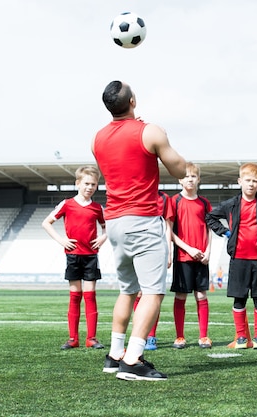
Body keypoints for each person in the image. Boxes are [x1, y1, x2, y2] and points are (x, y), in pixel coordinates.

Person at [92, 80, 186, 381]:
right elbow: (180, 170)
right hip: (143, 220)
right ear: (132, 101)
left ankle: (115, 353)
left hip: (115, 220)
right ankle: (132, 360)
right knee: (153, 292)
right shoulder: (150, 131)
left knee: (127, 289)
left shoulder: (98, 138)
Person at [206, 162, 257, 350]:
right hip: (238, 259)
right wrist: (225, 232)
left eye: (255, 181)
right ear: (240, 181)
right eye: (248, 180)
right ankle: (242, 338)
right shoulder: (231, 205)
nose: (251, 184)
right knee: (239, 299)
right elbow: (210, 217)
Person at [42, 166, 107, 350]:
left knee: (90, 296)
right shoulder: (67, 204)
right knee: (75, 297)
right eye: (86, 183)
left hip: (91, 256)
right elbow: (46, 222)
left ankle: (91, 338)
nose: (90, 187)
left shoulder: (97, 208)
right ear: (77, 183)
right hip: (73, 256)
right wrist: (61, 240)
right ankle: (73, 339)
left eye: (93, 184)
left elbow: (107, 227)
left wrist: (103, 237)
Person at [170, 162, 213, 349]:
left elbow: (211, 229)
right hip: (183, 257)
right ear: (180, 180)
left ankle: (203, 336)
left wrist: (208, 252)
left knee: (202, 295)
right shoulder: (174, 201)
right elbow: (169, 232)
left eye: (193, 176)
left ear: (198, 180)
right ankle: (180, 336)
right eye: (186, 176)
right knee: (181, 296)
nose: (190, 179)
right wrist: (188, 249)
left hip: (202, 257)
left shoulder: (204, 203)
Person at [133, 190, 174, 351]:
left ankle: (150, 336)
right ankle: (138, 335)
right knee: (137, 294)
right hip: (136, 247)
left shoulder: (164, 198)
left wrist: (168, 251)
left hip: (157, 249)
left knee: (153, 293)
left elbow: (167, 226)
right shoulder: (134, 194)